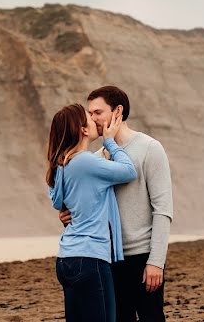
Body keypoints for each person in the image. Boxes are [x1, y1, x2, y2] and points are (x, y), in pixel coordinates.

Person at [60, 86, 173, 322]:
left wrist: (156, 262)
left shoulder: (150, 148)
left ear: (117, 111)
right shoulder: (99, 156)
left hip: (143, 256)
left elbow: (163, 210)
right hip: (108, 258)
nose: (92, 119)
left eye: (97, 112)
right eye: (90, 114)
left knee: (152, 317)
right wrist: (68, 214)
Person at [47, 103, 137, 322]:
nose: (95, 119)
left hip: (66, 258)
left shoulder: (61, 166)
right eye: (89, 117)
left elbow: (58, 202)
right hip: (90, 258)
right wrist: (110, 142)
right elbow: (129, 171)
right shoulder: (85, 161)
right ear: (83, 130)